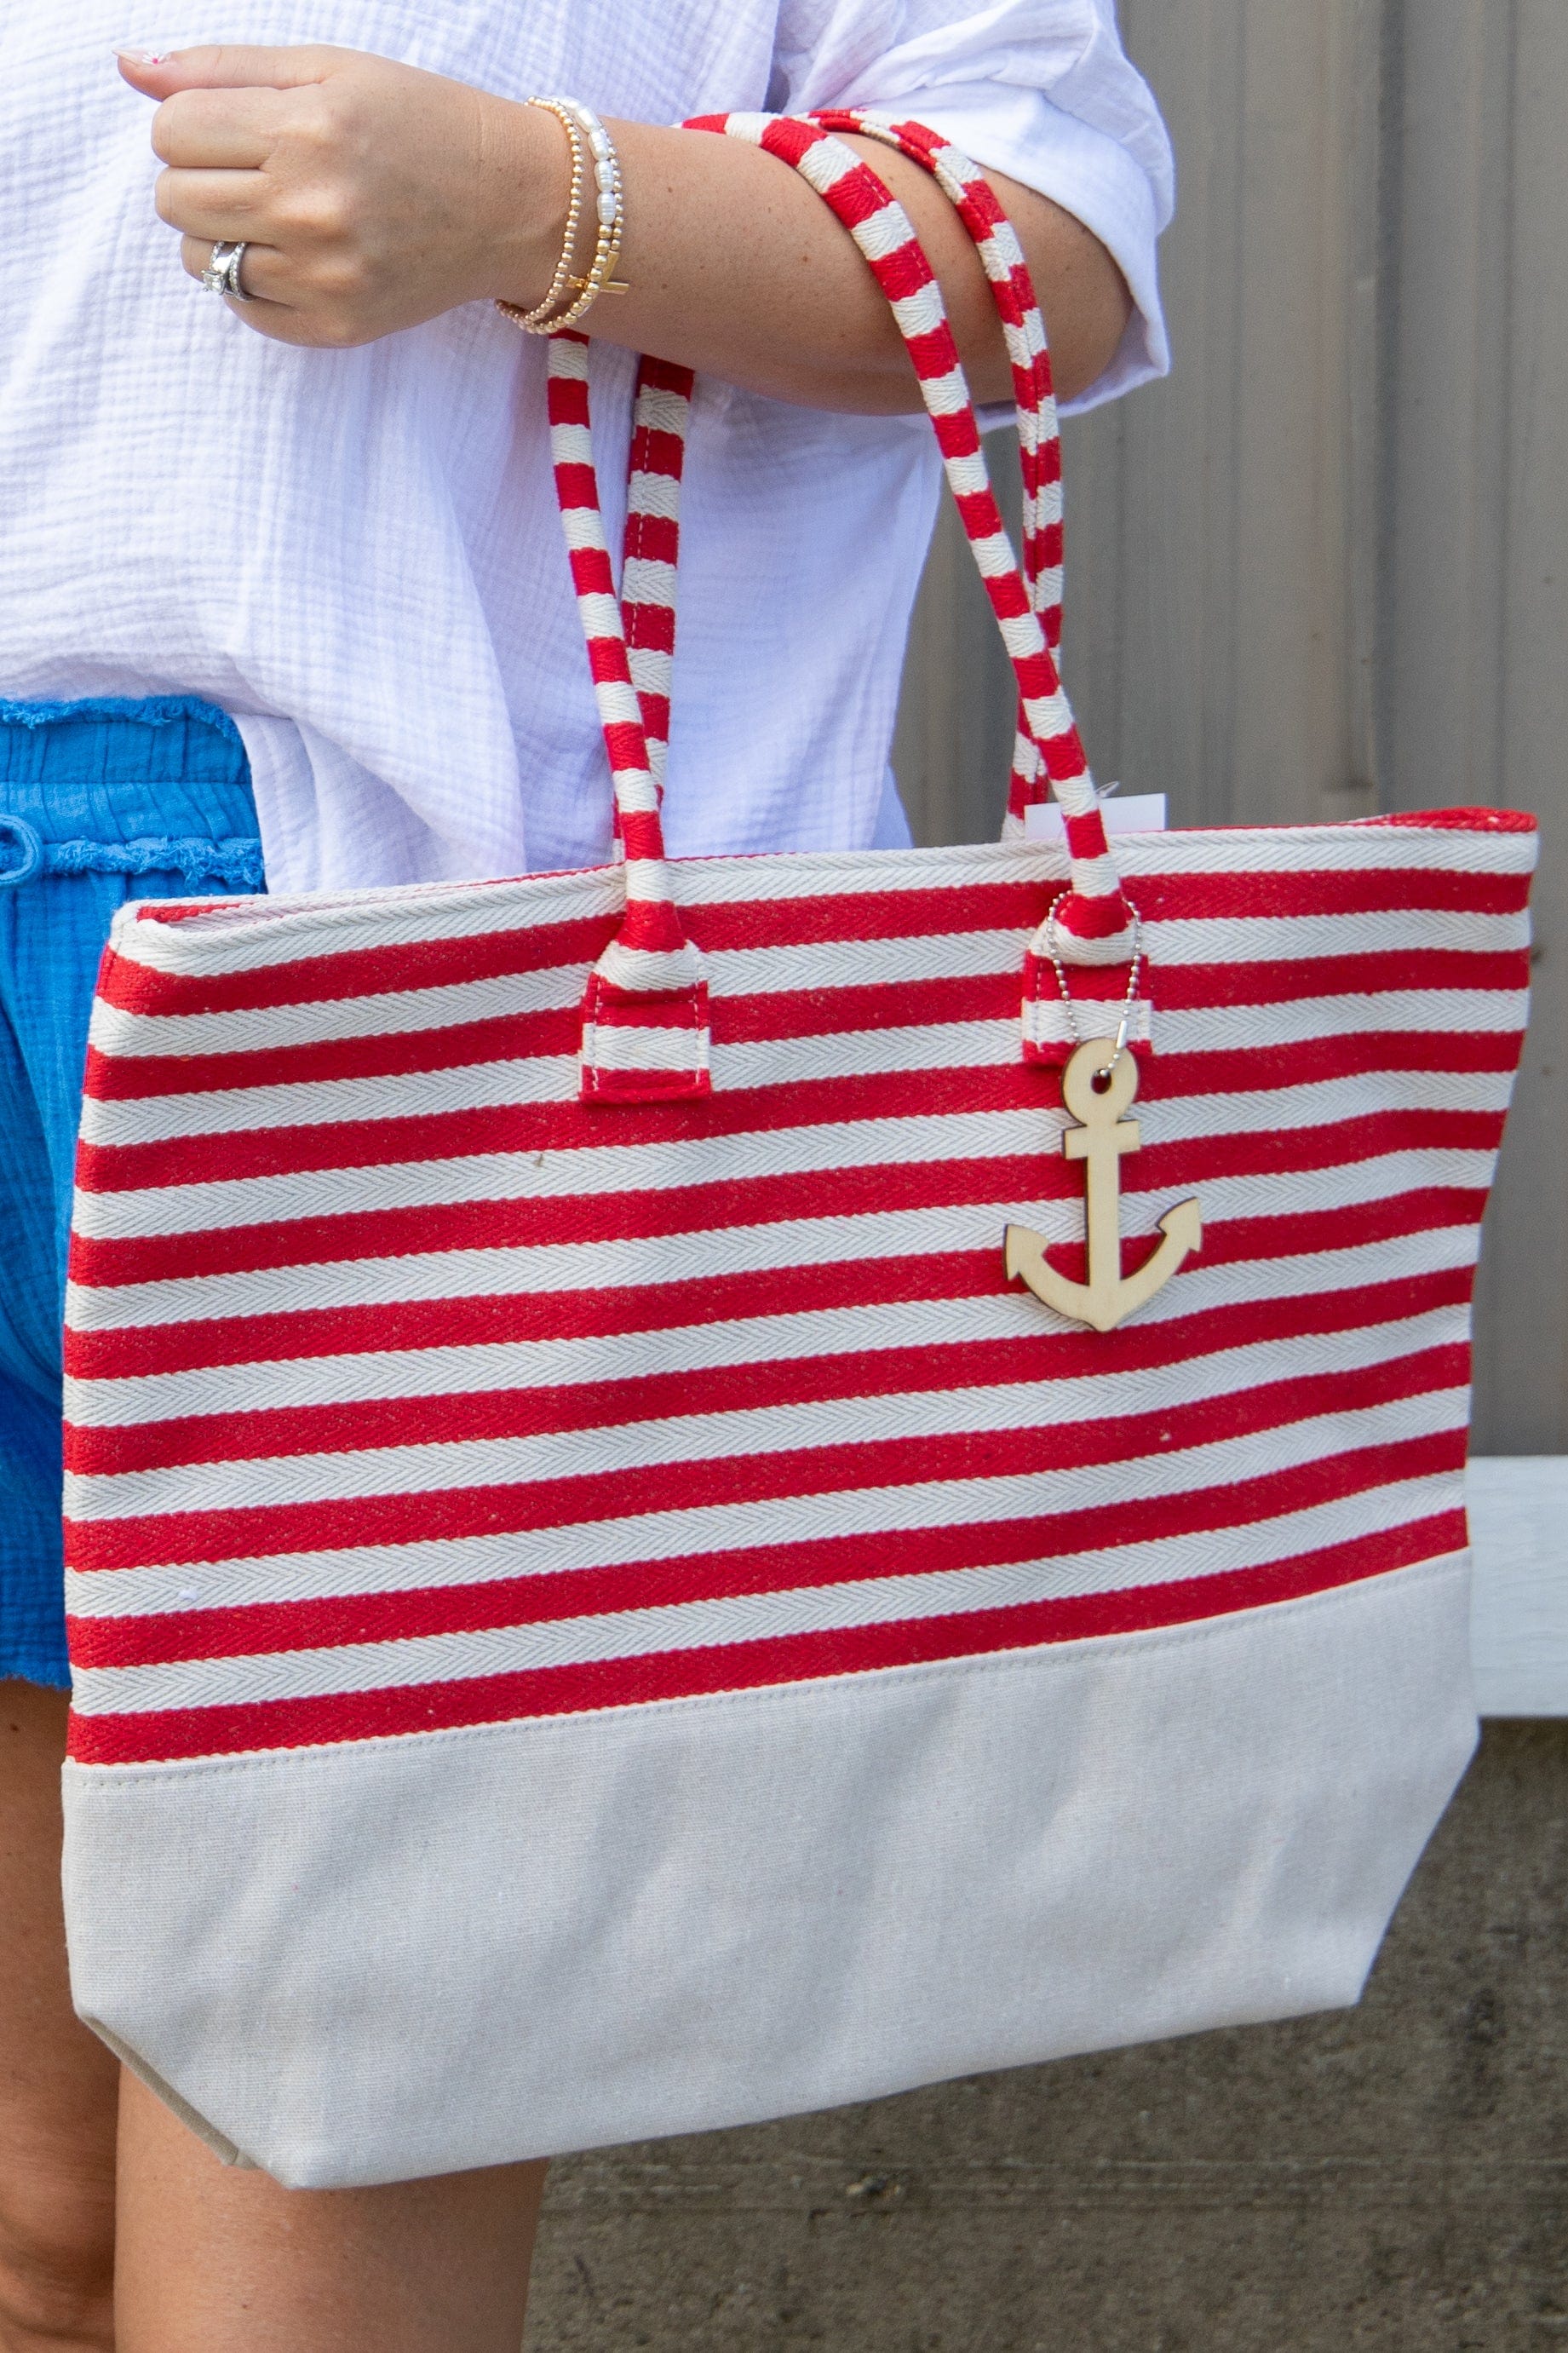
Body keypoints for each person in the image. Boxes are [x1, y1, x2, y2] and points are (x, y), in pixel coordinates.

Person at [0, 6, 1171, 2346]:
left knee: (298, 2198)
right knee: (34, 2219)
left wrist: (538, 202)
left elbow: (1057, 241)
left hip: (371, 980)